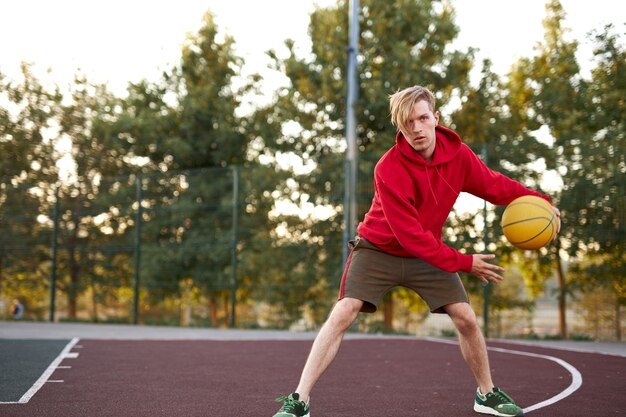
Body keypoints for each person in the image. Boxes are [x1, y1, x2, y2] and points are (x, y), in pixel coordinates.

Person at [272, 85, 559, 417]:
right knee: (344, 311)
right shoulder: (388, 168)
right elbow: (410, 236)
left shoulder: (459, 156)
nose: (417, 128)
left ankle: (487, 394)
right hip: (378, 249)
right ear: (400, 127)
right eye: (408, 123)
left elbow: (496, 186)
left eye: (423, 118)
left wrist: (543, 203)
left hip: (427, 253)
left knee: (465, 317)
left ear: (435, 118)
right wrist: (466, 262)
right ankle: (299, 400)